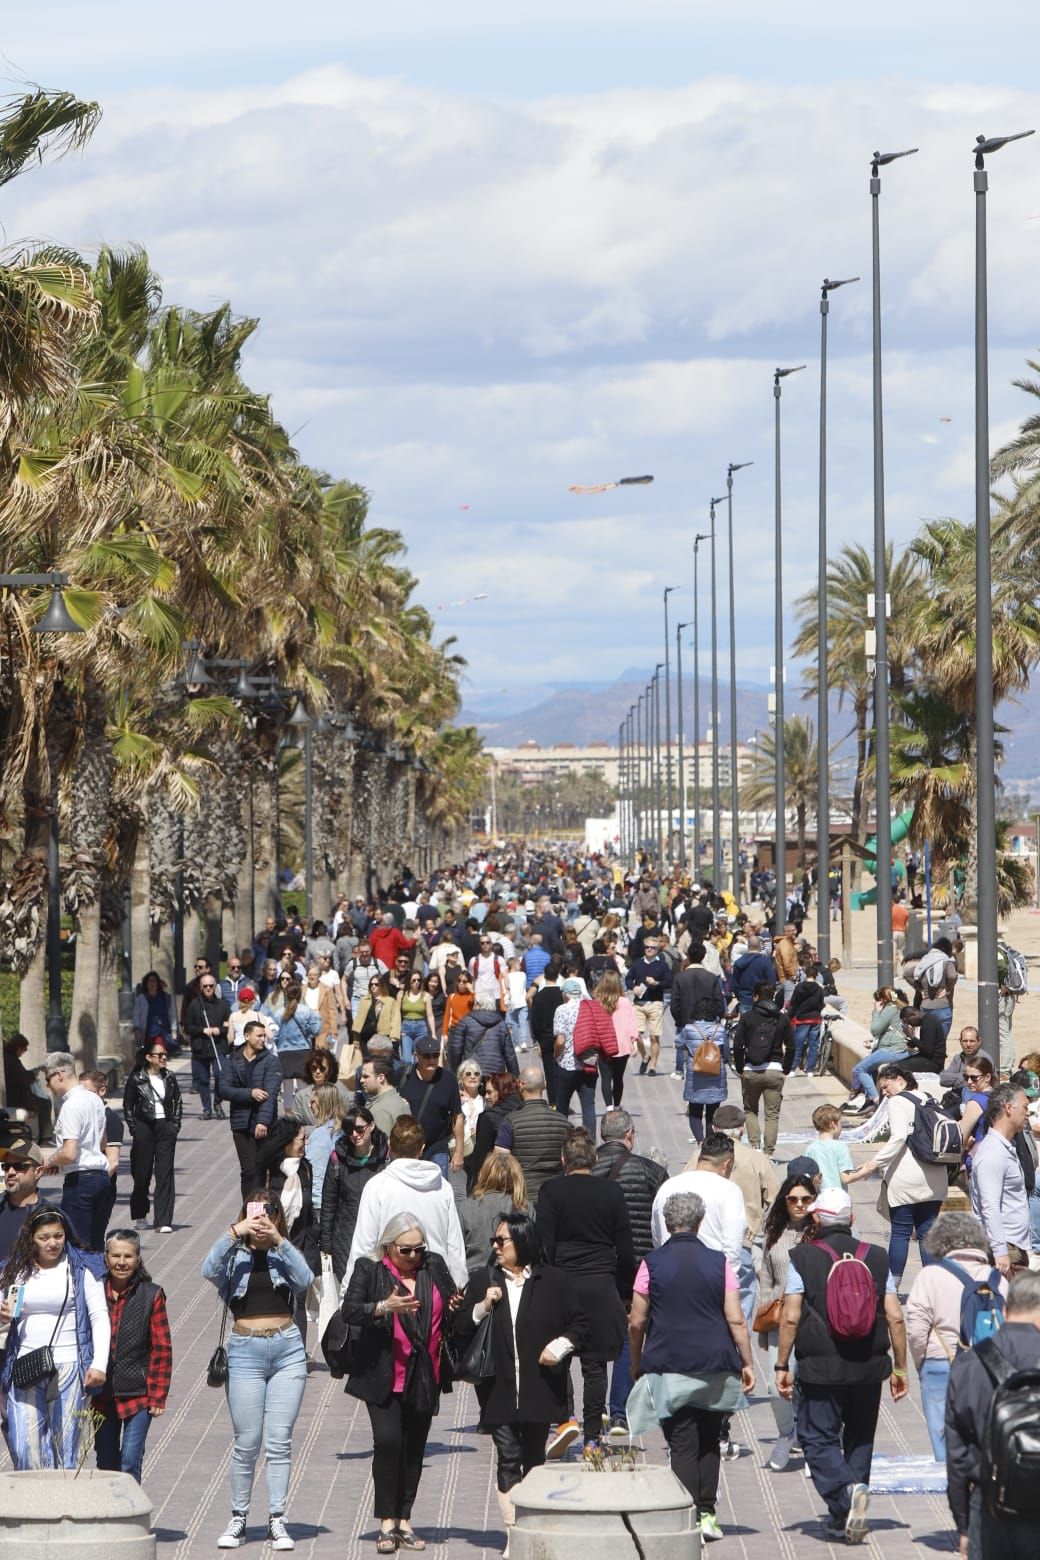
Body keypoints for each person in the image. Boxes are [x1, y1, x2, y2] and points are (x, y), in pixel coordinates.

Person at [775, 1187, 909, 1544]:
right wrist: (900, 1368)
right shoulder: (877, 1258)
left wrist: (781, 1364)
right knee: (860, 1436)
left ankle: (845, 1494)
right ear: (851, 1219)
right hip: (869, 1366)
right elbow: (895, 1316)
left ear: (816, 1218)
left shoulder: (803, 1257)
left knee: (816, 1437)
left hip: (820, 1367)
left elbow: (790, 1317)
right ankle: (845, 1516)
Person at [454, 1212, 588, 1554]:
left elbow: (580, 1324)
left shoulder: (553, 1281)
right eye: (494, 1242)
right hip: (497, 1387)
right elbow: (459, 1328)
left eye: (503, 1241)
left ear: (524, 1242)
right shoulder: (483, 1279)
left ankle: (534, 1528)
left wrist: (560, 1347)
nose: (496, 1247)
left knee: (534, 1459)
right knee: (508, 1457)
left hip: (539, 1387)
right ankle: (515, 1535)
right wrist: (483, 1306)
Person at [627, 1191, 755, 1546]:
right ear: (700, 1223)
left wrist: (636, 1362)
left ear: (667, 1225)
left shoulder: (650, 1264)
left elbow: (636, 1321)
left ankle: (687, 1516)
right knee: (709, 1439)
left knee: (681, 1441)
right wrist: (746, 1362)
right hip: (716, 1362)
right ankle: (707, 1514)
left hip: (668, 1363)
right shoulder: (719, 1263)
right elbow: (736, 1318)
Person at [342, 1212, 460, 1553]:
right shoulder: (370, 1270)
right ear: (389, 1246)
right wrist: (383, 1307)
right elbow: (349, 1311)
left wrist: (457, 1305)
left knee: (414, 1449)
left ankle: (404, 1519)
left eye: (418, 1249)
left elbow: (449, 1302)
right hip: (383, 1375)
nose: (412, 1256)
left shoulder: (432, 1266)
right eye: (405, 1250)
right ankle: (386, 1521)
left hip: (424, 1374)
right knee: (389, 1442)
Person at [202, 1191, 312, 1551]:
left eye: (270, 1212)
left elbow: (306, 1278)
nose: (262, 1218)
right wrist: (235, 1232)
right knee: (247, 1442)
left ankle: (277, 1519)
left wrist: (279, 1240)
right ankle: (239, 1517)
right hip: (245, 1351)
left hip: (287, 1349)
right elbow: (208, 1269)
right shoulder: (235, 1255)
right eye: (256, 1212)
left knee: (279, 1441)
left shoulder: (283, 1253)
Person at [536, 1128, 634, 1453]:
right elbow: (625, 1248)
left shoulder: (551, 1191)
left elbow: (544, 1246)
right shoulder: (612, 1192)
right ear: (593, 1159)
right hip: (600, 1285)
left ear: (563, 1159)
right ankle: (593, 1437)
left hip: (563, 1284)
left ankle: (565, 1420)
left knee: (559, 1357)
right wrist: (625, 1292)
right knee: (595, 1366)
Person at [0, 1207, 109, 1470]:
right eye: (44, 1237)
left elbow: (99, 1316)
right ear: (31, 1239)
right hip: (25, 1365)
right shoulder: (14, 1269)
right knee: (25, 1447)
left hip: (69, 1365)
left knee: (66, 1447)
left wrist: (99, 1364)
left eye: (58, 1236)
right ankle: (34, 1507)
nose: (52, 1243)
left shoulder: (82, 1266)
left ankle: (61, 1507)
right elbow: (5, 1317)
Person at [945, 1269, 1040, 1559]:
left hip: (989, 1505)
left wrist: (963, 1524)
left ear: (1005, 1309)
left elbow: (957, 1455)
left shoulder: (970, 1364)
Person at [904, 1211, 1008, 1462]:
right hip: (988, 1367)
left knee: (943, 1441)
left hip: (941, 1363)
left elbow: (916, 1329)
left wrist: (921, 1362)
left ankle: (952, 1489)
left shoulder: (930, 1276)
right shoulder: (997, 1279)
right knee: (985, 1434)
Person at [591, 1108, 667, 1434]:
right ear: (630, 1136)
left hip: (595, 1267)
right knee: (629, 1334)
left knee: (591, 1339)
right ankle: (619, 1411)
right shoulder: (651, 1171)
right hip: (639, 1267)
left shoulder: (587, 1171)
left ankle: (592, 1413)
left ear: (600, 1136)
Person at [848, 1065, 948, 1288]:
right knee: (927, 1231)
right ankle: (934, 1287)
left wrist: (873, 1164)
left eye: (886, 1086)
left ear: (900, 1080)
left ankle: (893, 1286)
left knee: (901, 1232)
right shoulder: (929, 1098)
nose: (884, 1092)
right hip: (936, 1176)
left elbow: (899, 1137)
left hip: (906, 1177)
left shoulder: (897, 1102)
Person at [345, 1117, 468, 1289]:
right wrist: (459, 1287)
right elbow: (454, 1246)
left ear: (389, 1146)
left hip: (391, 1289)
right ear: (422, 1148)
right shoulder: (442, 1187)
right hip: (436, 1288)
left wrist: (349, 1293)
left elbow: (364, 1245)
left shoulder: (377, 1187)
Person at [94, 1228, 172, 1483]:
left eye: (128, 1256)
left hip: (138, 1393)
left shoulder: (151, 1295)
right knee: (105, 1462)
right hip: (102, 1394)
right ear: (106, 1257)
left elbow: (161, 1347)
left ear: (138, 1259)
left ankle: (130, 1518)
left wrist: (158, 1395)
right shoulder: (93, 1291)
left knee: (130, 1459)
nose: (121, 1262)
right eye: (115, 1255)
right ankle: (109, 1516)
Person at [756, 1171, 817, 1471]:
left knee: (810, 1382)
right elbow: (766, 1277)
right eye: (793, 1198)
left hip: (813, 1319)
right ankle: (786, 1432)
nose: (799, 1204)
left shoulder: (819, 1232)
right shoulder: (774, 1232)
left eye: (806, 1199)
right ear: (784, 1200)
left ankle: (812, 1439)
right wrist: (764, 1320)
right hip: (780, 1319)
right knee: (774, 1385)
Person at [40, 1052, 111, 1251]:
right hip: (101, 1177)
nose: (48, 1086)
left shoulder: (71, 1105)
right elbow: (102, 1142)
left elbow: (69, 1153)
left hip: (81, 1182)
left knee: (78, 1246)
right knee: (96, 1245)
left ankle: (81, 1282)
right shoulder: (94, 1099)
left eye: (48, 1079)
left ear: (60, 1074)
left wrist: (51, 1161)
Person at [969, 1082, 1034, 1277]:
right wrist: (1000, 1252)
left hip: (1014, 1247)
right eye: (1025, 1107)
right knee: (1012, 1307)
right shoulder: (993, 1153)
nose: (1028, 1113)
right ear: (1008, 1108)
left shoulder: (1004, 1148)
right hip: (1006, 1249)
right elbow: (990, 1206)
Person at [320, 1106, 388, 1285]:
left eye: (360, 1129)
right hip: (347, 1234)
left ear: (372, 1126)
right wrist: (326, 1243)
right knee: (349, 1288)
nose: (355, 1134)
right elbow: (329, 1202)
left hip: (379, 1233)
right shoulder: (337, 1159)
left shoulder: (386, 1156)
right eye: (349, 1130)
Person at [218, 1020, 284, 1200]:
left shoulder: (271, 1062)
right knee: (248, 1170)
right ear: (247, 1036)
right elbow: (223, 1089)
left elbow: (270, 1094)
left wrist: (263, 1121)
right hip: (240, 1123)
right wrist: (250, 1093)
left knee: (260, 1169)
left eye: (264, 1035)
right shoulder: (233, 1060)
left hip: (263, 1124)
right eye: (259, 1035)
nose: (263, 1039)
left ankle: (260, 1209)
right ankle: (248, 1210)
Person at [123, 1040, 182, 1234]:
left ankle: (163, 1220)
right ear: (149, 1058)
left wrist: (174, 1125)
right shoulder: (137, 1078)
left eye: (165, 1054)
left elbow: (177, 1101)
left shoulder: (170, 1077)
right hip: (144, 1127)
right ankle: (140, 1212)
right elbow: (128, 1106)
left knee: (165, 1174)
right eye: (160, 1055)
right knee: (142, 1174)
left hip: (165, 1127)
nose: (164, 1058)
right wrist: (134, 1128)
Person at [732, 982, 794, 1156]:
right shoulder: (782, 1019)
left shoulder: (747, 1017)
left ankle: (755, 1148)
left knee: (750, 1110)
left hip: (751, 1070)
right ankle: (769, 1153)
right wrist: (786, 1069)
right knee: (772, 1115)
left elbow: (737, 1046)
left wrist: (740, 1069)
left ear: (756, 997)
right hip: (774, 1070)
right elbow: (791, 1047)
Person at [400, 1035, 465, 1177]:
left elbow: (457, 1116)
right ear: (416, 1055)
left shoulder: (449, 1080)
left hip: (437, 1146)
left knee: (438, 1192)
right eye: (426, 1055)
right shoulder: (403, 1076)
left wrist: (459, 1152)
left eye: (435, 1055)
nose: (431, 1060)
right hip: (407, 1146)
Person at [842, 987, 911, 1115]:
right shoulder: (900, 1007)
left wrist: (876, 1012)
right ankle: (866, 1099)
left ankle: (876, 1101)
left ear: (881, 1000)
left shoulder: (890, 1009)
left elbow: (875, 1030)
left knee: (859, 1069)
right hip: (900, 1048)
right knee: (870, 1069)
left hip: (892, 1050)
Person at [458, 1152, 528, 1274]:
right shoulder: (524, 1207)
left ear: (484, 1174)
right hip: (513, 1275)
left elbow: (456, 1249)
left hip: (474, 1275)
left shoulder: (465, 1207)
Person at [263, 976, 322, 1109]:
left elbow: (275, 1036)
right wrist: (318, 1017)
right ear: (300, 994)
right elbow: (316, 1031)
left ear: (286, 995)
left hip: (284, 1053)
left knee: (287, 1089)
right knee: (304, 1087)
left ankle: (289, 1118)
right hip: (303, 1051)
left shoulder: (278, 1013)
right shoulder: (307, 1011)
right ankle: (303, 1115)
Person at [551, 979, 597, 1137]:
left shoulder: (561, 1010)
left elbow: (560, 1040)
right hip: (588, 1064)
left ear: (565, 994)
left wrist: (556, 1055)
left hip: (567, 1066)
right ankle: (590, 1146)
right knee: (589, 1109)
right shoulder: (590, 1008)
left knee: (562, 1108)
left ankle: (562, 1144)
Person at [677, 1006, 730, 1144]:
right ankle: (709, 1141)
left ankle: (700, 1141)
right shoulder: (720, 1029)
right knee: (713, 1109)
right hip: (716, 1072)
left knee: (695, 1109)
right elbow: (726, 1052)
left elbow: (678, 1043)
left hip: (696, 1073)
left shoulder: (688, 1029)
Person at [79, 1070, 124, 1231]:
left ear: (102, 1091)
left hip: (99, 1189)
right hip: (81, 1186)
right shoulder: (84, 1117)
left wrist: (94, 1186)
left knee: (93, 1236)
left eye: (88, 1093)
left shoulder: (109, 1119)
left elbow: (113, 1162)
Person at [0, 1138, 56, 1266]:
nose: (10, 1172)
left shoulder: (50, 1215)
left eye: (20, 1166)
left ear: (38, 1172)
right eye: (6, 1166)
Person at [184, 970, 231, 1119]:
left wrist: (219, 1030)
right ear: (201, 987)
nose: (208, 989)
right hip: (201, 1047)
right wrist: (203, 1030)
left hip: (218, 1046)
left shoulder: (223, 1004)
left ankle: (217, 1102)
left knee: (220, 1075)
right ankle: (206, 1108)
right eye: (205, 986)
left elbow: (229, 1025)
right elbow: (188, 1027)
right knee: (203, 1080)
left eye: (211, 986)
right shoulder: (194, 1005)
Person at [624, 933, 673, 1076]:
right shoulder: (638, 963)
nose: (650, 950)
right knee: (636, 1035)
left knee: (654, 1036)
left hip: (655, 1003)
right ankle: (645, 1056)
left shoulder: (662, 965)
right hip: (638, 1003)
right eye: (647, 947)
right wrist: (633, 988)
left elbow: (669, 982)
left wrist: (656, 983)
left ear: (657, 949)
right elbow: (628, 978)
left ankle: (653, 1066)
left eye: (653, 948)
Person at [591, 967, 639, 1109]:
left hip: (603, 1045)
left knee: (606, 1077)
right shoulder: (625, 1002)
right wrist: (634, 1041)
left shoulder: (597, 1003)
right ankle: (617, 1105)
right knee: (618, 1078)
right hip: (622, 1046)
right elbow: (632, 1023)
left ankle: (608, 1107)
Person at [448, 998, 518, 1079]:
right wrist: (515, 1077)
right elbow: (510, 1055)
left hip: (472, 1071)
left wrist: (455, 1071)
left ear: (478, 1005)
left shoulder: (466, 1021)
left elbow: (455, 1049)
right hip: (496, 1072)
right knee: (493, 1091)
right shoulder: (501, 1024)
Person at [2, 1033, 51, 1142]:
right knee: (45, 1103)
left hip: (14, 1094)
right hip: (15, 1097)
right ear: (19, 1048)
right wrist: (34, 1073)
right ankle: (46, 1137)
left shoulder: (9, 1058)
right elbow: (24, 1079)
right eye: (24, 1049)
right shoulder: (11, 1060)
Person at [290, 1049, 355, 1128]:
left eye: (322, 1068)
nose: (317, 1071)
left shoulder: (341, 1093)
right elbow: (295, 1127)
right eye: (314, 1068)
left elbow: (346, 1123)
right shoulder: (301, 1097)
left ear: (330, 1070)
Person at [529, 959, 565, 1093]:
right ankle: (562, 1100)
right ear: (557, 975)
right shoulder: (562, 996)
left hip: (544, 1038)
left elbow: (534, 1020)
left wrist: (536, 1040)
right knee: (562, 1069)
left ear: (545, 976)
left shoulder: (538, 997)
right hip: (561, 1037)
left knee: (549, 1071)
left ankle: (553, 1102)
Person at [914, 937, 958, 1042]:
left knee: (928, 1041)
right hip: (943, 1006)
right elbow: (952, 976)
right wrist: (948, 989)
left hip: (925, 1007)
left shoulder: (924, 962)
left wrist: (920, 989)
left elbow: (907, 974)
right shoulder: (946, 962)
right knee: (941, 1042)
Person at [805, 1104, 855, 1191]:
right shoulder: (840, 1147)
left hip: (819, 1198)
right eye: (840, 1123)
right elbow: (845, 1178)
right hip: (838, 1198)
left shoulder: (810, 1148)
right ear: (833, 1124)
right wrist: (864, 1172)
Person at [131, 970, 178, 1056]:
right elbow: (136, 1015)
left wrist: (174, 1030)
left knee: (159, 1054)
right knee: (151, 1055)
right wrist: (136, 1029)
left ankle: (161, 1069)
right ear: (146, 983)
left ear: (158, 983)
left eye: (154, 981)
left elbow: (172, 1014)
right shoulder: (141, 998)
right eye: (149, 981)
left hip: (163, 1032)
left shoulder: (166, 997)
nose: (152, 983)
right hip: (147, 1033)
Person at [362, 1058, 410, 1139]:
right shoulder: (398, 1101)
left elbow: (381, 1147)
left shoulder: (381, 1110)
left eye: (366, 1076)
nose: (361, 1080)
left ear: (381, 1078)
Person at [397, 970, 436, 1066]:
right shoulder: (402, 994)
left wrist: (434, 1033)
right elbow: (397, 1014)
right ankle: (408, 1077)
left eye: (418, 980)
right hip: (406, 1027)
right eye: (413, 980)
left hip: (421, 1027)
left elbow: (430, 1015)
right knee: (406, 1059)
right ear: (409, 981)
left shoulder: (425, 996)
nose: (416, 982)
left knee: (419, 1058)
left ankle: (417, 1078)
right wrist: (397, 1030)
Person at [940, 1025, 996, 1091]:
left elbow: (980, 1084)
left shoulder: (984, 1059)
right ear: (960, 1042)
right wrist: (962, 1077)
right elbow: (943, 1078)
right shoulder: (958, 1058)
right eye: (965, 1041)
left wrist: (956, 1079)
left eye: (972, 1041)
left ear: (979, 1041)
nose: (968, 1045)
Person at [456, 1062, 484, 1174]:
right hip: (462, 1152)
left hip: (481, 1152)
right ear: (461, 1078)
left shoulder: (486, 1100)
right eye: (468, 1074)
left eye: (476, 1074)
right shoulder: (456, 1098)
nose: (473, 1077)